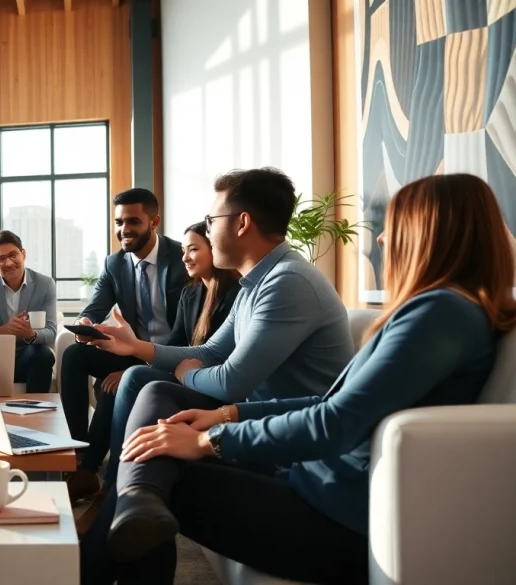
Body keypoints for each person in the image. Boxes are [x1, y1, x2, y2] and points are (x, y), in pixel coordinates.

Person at [80, 173, 516, 585]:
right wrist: (226, 416)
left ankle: (95, 548)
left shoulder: (440, 315)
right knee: (146, 482)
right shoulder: (439, 311)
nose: (381, 238)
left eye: (394, 224)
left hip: (338, 517)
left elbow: (334, 420)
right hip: (316, 485)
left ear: (432, 233)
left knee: (151, 485)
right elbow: (328, 402)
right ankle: (119, 518)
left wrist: (212, 440)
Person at [77, 168, 355, 530]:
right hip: (256, 416)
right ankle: (127, 499)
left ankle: (120, 500)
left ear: (242, 223)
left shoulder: (288, 283)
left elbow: (229, 382)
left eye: (211, 221)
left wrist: (186, 372)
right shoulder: (256, 284)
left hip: (286, 440)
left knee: (156, 403)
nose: (206, 232)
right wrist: (136, 346)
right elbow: (210, 352)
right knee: (152, 397)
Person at [61, 188, 188, 504]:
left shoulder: (182, 259)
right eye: (119, 221)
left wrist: (141, 365)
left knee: (111, 388)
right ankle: (78, 456)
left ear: (154, 221)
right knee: (74, 354)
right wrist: (87, 325)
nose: (123, 229)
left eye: (133, 221)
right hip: (130, 353)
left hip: (172, 357)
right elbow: (95, 304)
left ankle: (93, 475)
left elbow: (188, 335)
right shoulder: (115, 263)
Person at [96, 221, 240, 488]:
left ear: (214, 249)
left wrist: (141, 356)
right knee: (129, 376)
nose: (185, 257)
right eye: (183, 250)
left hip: (215, 386)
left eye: (193, 250)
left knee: (135, 376)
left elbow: (222, 358)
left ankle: (115, 477)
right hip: (186, 376)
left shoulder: (237, 295)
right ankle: (113, 473)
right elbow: (175, 344)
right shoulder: (190, 292)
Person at [0, 230, 58, 393]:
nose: (9, 263)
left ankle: (35, 411)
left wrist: (30, 334)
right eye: (1, 259)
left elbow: (51, 331)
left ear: (23, 254)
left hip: (29, 357)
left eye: (13, 255)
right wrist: (4, 331)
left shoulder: (45, 284)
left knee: (44, 354)